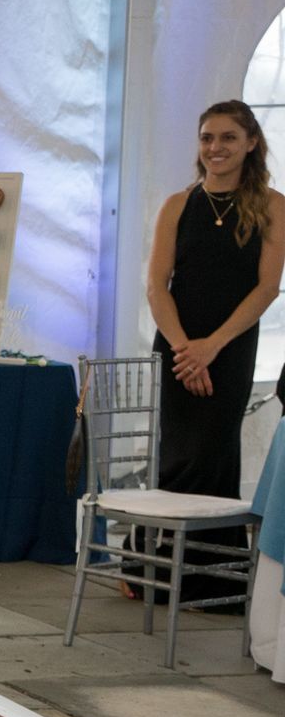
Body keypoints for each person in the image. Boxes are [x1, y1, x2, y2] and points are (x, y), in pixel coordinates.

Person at [142, 99, 285, 602]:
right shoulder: (178, 205)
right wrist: (185, 349)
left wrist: (212, 347)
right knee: (178, 453)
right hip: (178, 344)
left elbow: (267, 288)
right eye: (207, 137)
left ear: (250, 143)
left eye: (227, 137)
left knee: (213, 452)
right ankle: (158, 571)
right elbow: (158, 286)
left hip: (230, 345)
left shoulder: (272, 205)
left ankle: (209, 576)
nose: (215, 147)